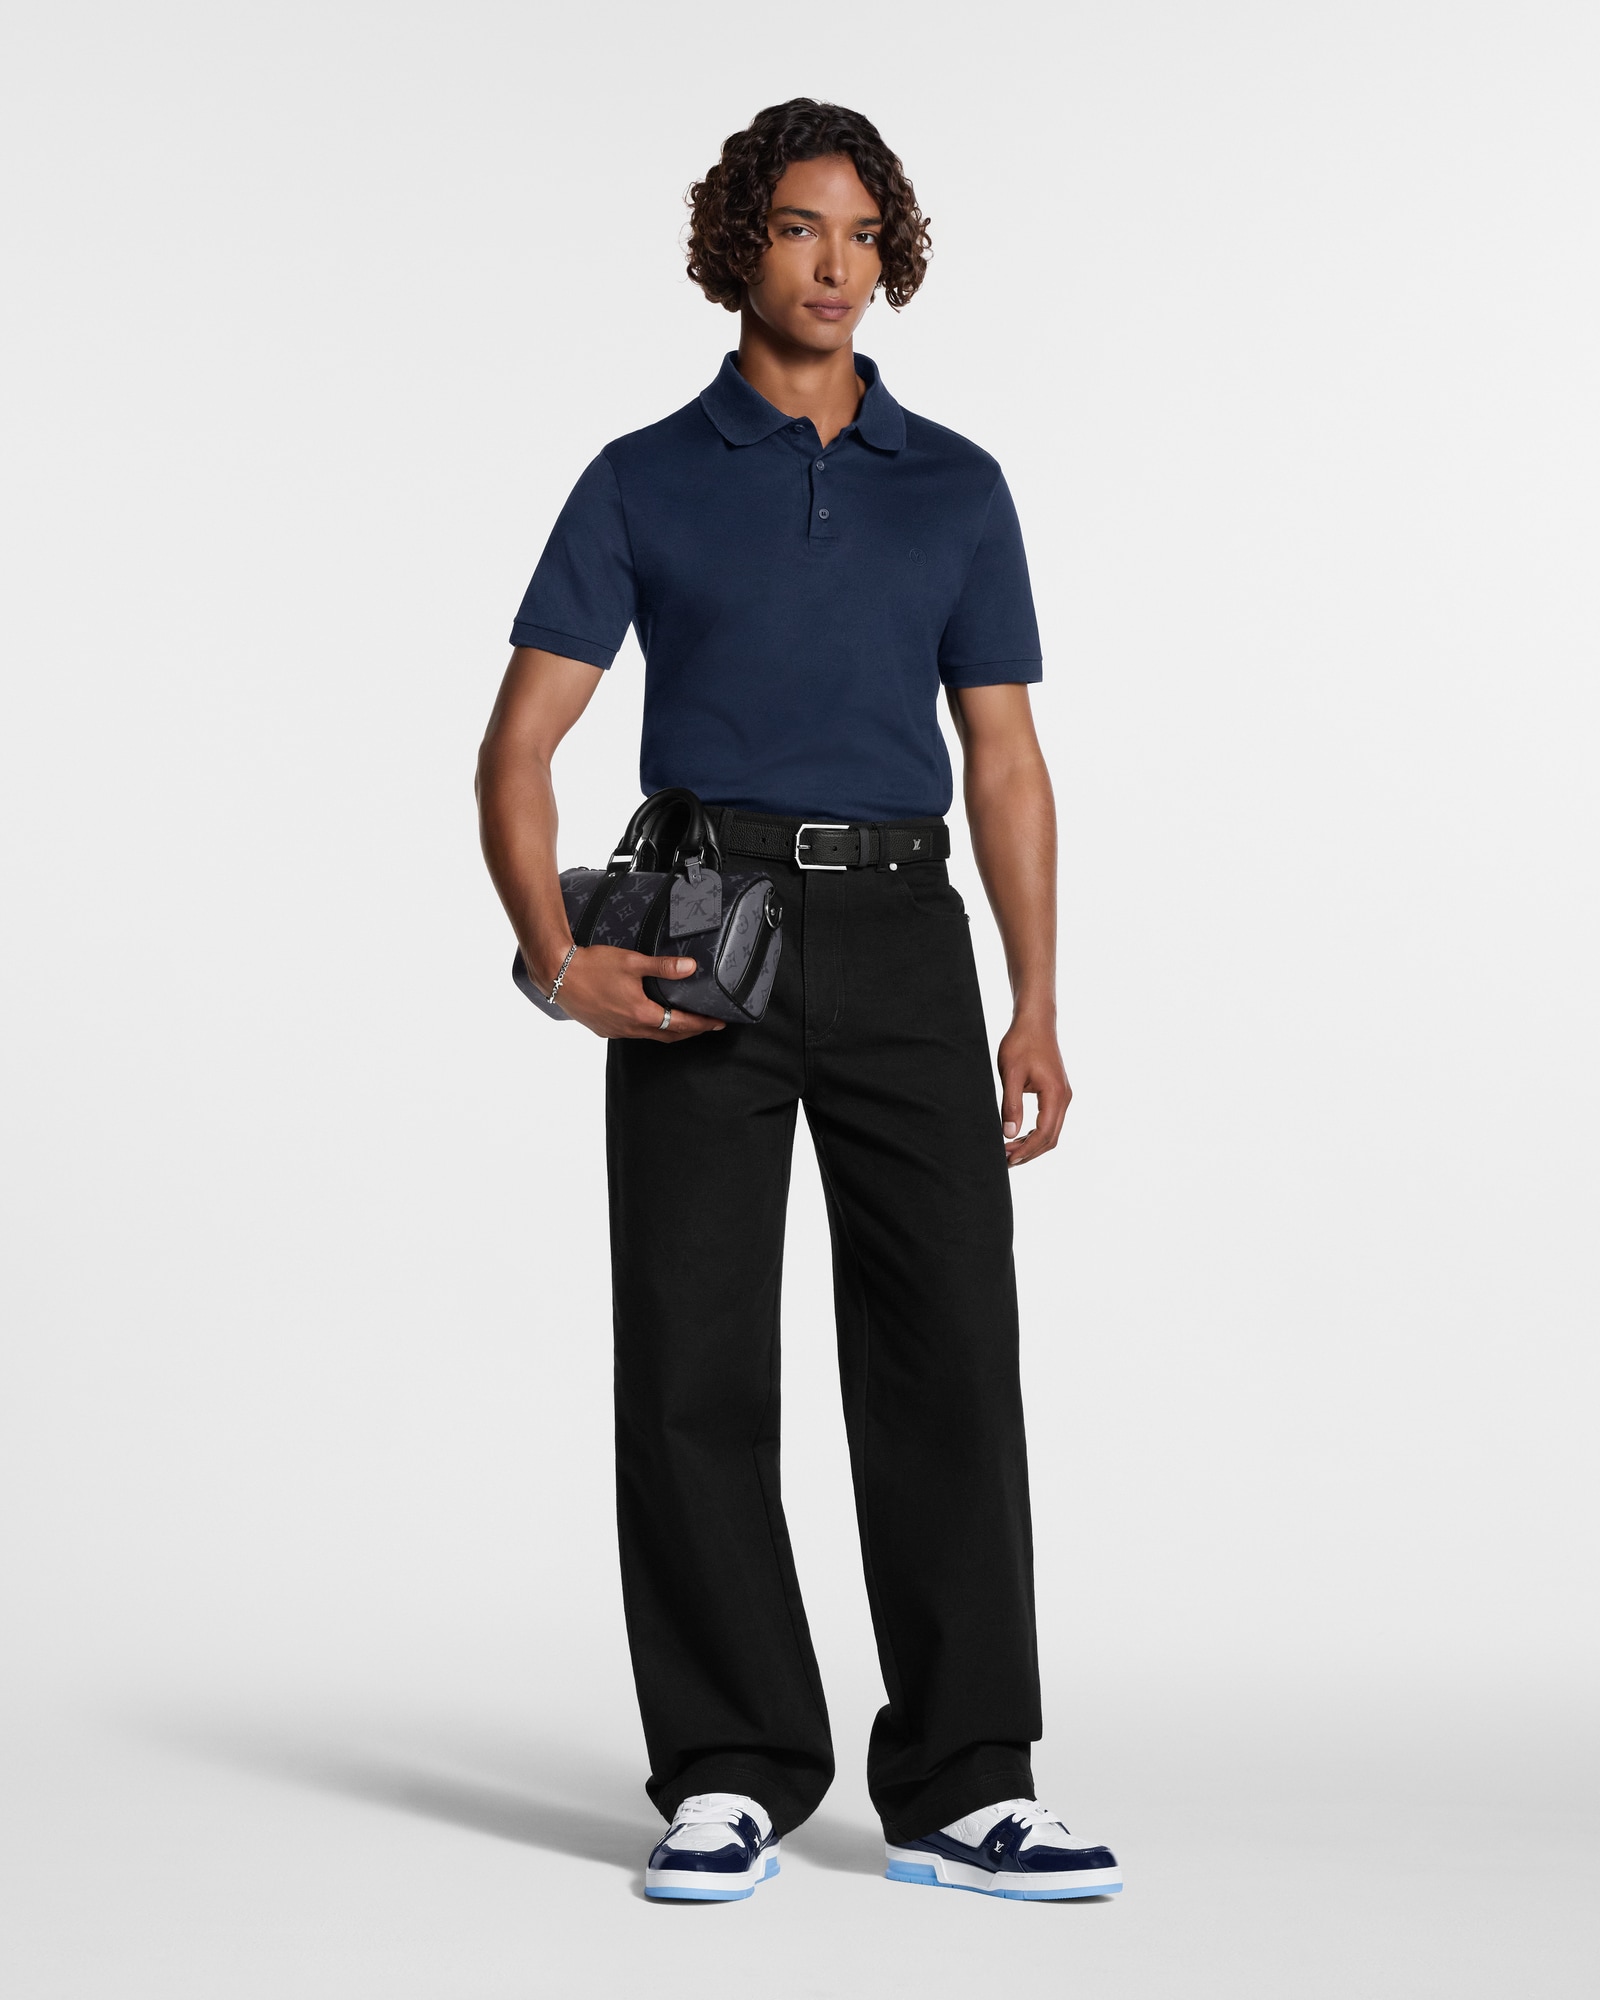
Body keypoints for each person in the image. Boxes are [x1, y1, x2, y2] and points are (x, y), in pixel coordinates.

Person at [476, 98, 1120, 1903]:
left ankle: (970, 1782)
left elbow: (1006, 760)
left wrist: (1035, 1001)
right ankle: (730, 1768)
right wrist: (558, 962)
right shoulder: (641, 476)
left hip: (910, 937)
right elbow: (518, 750)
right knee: (693, 1359)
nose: (834, 266)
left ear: (888, 255)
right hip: (708, 934)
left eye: (861, 234)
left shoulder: (957, 485)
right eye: (796, 230)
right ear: (736, 249)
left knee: (950, 1357)